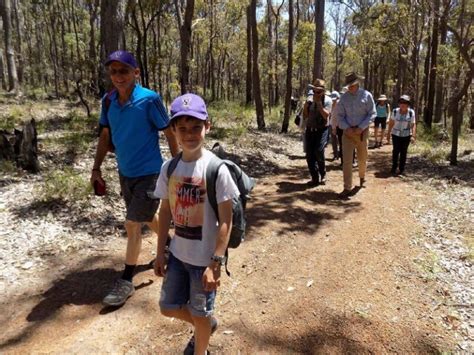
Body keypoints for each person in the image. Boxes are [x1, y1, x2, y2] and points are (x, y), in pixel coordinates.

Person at [90, 50, 179, 307]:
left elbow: (170, 134)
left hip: (150, 173)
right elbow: (105, 137)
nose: (118, 76)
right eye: (113, 71)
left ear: (135, 73)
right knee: (143, 216)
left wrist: (177, 167)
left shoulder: (149, 100)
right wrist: (96, 168)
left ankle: (127, 281)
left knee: (132, 224)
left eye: (124, 71)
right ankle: (172, 244)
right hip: (124, 173)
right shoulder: (108, 101)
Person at [153, 93, 239, 355]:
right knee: (168, 307)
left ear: (207, 127)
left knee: (199, 313)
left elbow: (227, 220)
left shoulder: (216, 169)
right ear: (174, 131)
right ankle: (205, 325)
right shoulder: (169, 168)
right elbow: (165, 211)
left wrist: (215, 263)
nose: (189, 134)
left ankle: (200, 344)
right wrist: (160, 252)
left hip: (204, 261)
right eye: (183, 129)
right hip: (178, 255)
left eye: (196, 128)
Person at [335, 72, 376, 198]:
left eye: (352, 85)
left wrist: (361, 127)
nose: (350, 88)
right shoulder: (343, 98)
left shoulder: (366, 95)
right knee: (347, 161)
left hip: (362, 133)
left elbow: (372, 113)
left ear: (357, 84)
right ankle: (347, 187)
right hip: (347, 134)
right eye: (349, 86)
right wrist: (346, 128)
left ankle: (362, 177)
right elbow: (339, 116)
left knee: (362, 158)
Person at [302, 79, 332, 186]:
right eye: (314, 91)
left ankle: (323, 174)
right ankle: (314, 177)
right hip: (310, 129)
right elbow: (305, 116)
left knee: (319, 151)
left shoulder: (327, 100)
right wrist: (305, 107)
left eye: (318, 91)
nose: (316, 93)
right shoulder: (309, 100)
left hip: (322, 130)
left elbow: (326, 115)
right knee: (309, 155)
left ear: (323, 91)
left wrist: (319, 104)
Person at [387, 94, 416, 175]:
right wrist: (388, 133)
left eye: (405, 103)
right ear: (399, 103)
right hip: (395, 134)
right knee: (396, 151)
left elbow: (413, 124)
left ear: (408, 104)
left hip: (406, 135)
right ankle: (394, 167)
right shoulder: (395, 111)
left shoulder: (411, 112)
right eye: (401, 102)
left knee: (404, 152)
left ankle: (401, 169)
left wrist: (413, 135)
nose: (403, 104)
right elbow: (391, 122)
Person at [329, 91, 340, 160]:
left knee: (340, 140)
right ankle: (335, 154)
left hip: (339, 125)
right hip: (332, 124)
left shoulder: (340, 104)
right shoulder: (330, 104)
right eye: (332, 99)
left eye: (335, 99)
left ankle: (341, 154)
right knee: (333, 140)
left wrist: (335, 127)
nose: (333, 100)